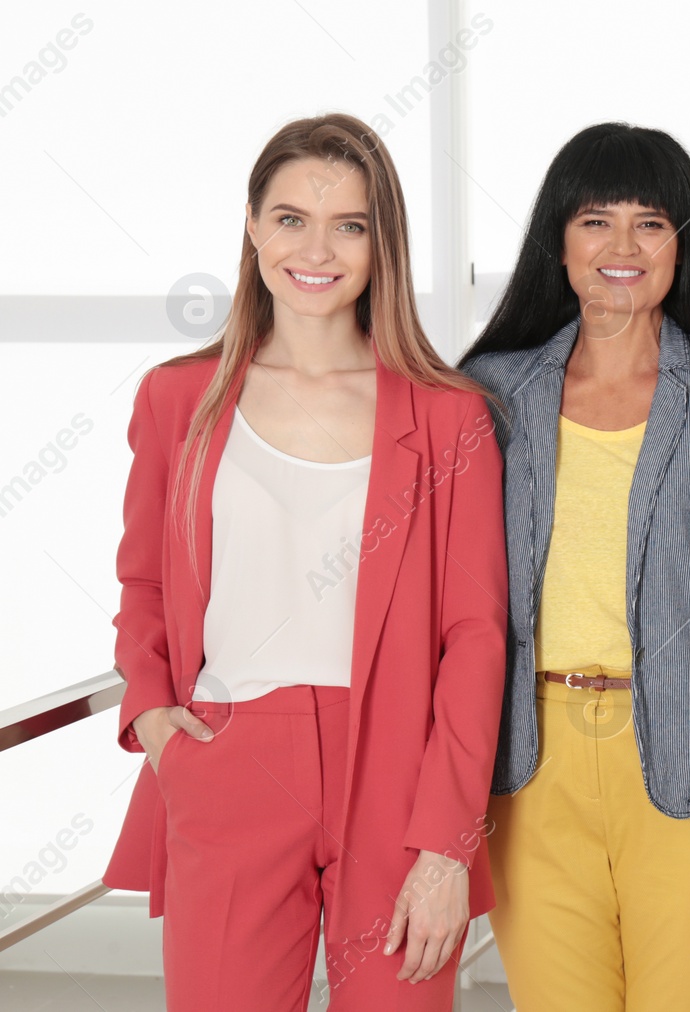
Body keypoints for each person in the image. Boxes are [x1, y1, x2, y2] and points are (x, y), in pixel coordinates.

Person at [103, 113, 509, 1012]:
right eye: (291, 219)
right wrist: (159, 723)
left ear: (382, 243)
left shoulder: (450, 417)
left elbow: (476, 638)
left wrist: (446, 844)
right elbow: (143, 586)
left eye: (349, 225)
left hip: (400, 775)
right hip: (229, 755)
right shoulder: (180, 399)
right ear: (251, 228)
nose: (316, 248)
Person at [459, 122, 690, 1012]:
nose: (622, 247)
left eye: (651, 224)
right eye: (595, 221)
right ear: (559, 240)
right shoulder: (490, 393)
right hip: (528, 777)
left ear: (683, 244)